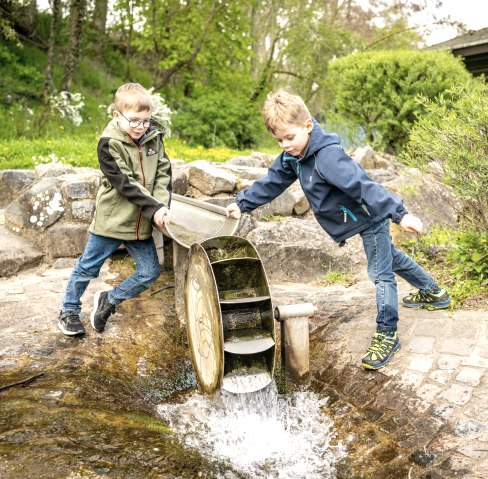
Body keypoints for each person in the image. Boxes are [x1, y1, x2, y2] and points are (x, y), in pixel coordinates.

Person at [226, 89, 450, 370]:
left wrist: (400, 214)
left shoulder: (327, 157)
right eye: (278, 140)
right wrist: (242, 203)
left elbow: (363, 185)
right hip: (356, 216)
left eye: (289, 137)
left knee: (380, 273)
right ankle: (434, 292)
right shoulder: (294, 155)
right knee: (389, 258)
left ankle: (387, 333)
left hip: (372, 214)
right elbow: (273, 181)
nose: (284, 145)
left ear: (308, 126)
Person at [57, 83, 172, 336]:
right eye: (134, 121)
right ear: (117, 116)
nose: (141, 127)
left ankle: (109, 299)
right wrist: (155, 208)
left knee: (149, 272)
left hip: (141, 221)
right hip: (113, 220)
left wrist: (161, 206)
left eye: (146, 121)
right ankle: (68, 310)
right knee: (87, 267)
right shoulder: (108, 144)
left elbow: (163, 173)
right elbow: (125, 183)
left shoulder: (153, 137)